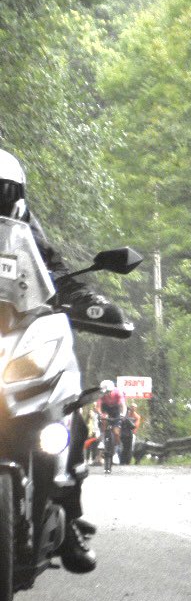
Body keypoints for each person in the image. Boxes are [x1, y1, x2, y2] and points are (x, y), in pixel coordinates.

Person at [1, 148, 123, 570]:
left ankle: (67, 515)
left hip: (15, 337)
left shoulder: (22, 227)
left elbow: (52, 271)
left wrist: (87, 301)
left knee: (66, 409)